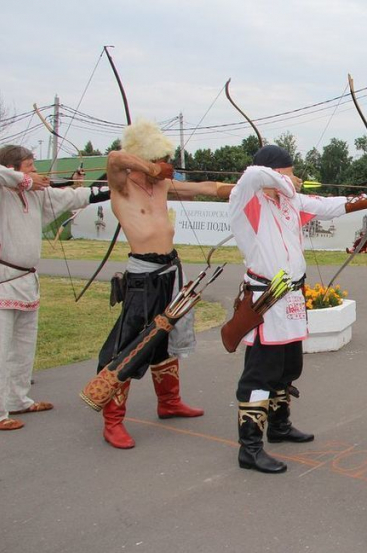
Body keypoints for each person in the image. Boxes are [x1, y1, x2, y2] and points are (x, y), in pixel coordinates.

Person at [228, 145, 367, 473]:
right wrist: (285, 180)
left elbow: (328, 206)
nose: (293, 178)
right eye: (287, 171)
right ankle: (249, 447)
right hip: (264, 299)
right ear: (275, 171)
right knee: (260, 373)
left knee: (288, 367)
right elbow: (254, 173)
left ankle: (280, 426)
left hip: (291, 296)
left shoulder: (291, 202)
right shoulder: (247, 198)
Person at [92, 119, 230, 449]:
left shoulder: (162, 186)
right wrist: (150, 166)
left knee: (165, 341)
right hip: (142, 276)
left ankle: (169, 402)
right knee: (131, 345)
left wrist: (254, 187)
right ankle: (113, 421)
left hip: (170, 270)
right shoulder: (122, 186)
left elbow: (208, 189)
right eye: (160, 158)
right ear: (146, 156)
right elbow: (114, 158)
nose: (166, 164)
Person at [0, 146, 110, 431]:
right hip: (3, 280)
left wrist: (116, 183)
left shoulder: (37, 195)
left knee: (23, 346)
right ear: (12, 169)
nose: (35, 172)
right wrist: (22, 180)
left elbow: (75, 195)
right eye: (29, 166)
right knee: (1, 348)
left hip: (26, 282)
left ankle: (17, 399)